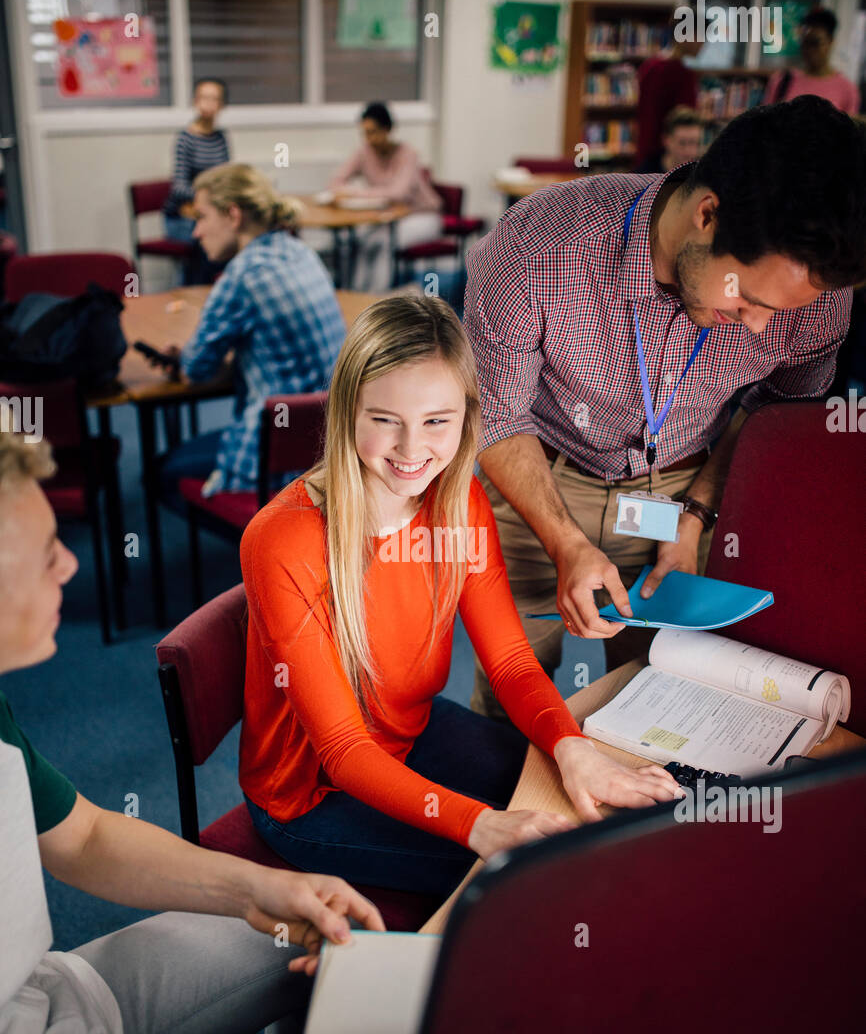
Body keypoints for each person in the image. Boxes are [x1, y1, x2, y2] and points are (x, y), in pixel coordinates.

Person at [0, 430, 387, 1034]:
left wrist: (262, 890)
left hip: (50, 1000)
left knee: (307, 928)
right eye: (47, 552)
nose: (71, 564)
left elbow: (83, 835)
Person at [239, 295, 682, 896]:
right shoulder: (282, 539)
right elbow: (343, 750)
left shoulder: (458, 501)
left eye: (436, 421)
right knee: (546, 879)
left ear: (467, 417)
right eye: (384, 419)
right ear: (346, 411)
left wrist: (571, 747)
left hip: (412, 733)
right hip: (311, 795)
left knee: (599, 815)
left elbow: (508, 661)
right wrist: (480, 827)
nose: (410, 448)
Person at [463, 95, 866, 723]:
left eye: (778, 313)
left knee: (662, 697)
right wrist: (566, 542)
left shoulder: (816, 297)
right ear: (709, 214)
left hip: (682, 495)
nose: (760, 330)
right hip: (537, 480)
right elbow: (497, 415)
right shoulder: (539, 245)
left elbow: (775, 416)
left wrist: (697, 516)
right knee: (510, 696)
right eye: (748, 301)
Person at [157, 163, 346, 504]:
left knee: (161, 472)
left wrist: (182, 359)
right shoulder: (300, 252)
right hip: (330, 451)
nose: (196, 232)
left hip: (273, 463)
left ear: (233, 215)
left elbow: (196, 369)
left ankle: (252, 544)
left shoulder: (240, 276)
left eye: (201, 217)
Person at [327, 102, 444, 290]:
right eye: (364, 133)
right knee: (359, 240)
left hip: (421, 215)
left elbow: (398, 193)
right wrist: (352, 192)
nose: (368, 138)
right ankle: (355, 296)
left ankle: (376, 301)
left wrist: (355, 193)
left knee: (383, 243)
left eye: (373, 132)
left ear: (388, 129)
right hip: (388, 218)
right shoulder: (364, 152)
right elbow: (335, 183)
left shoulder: (408, 154)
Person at [163, 78, 230, 283]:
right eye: (203, 98)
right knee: (208, 243)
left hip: (211, 212)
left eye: (214, 99)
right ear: (195, 101)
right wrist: (209, 197)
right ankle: (192, 294)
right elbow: (179, 188)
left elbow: (226, 178)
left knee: (232, 239)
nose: (208, 104)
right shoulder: (186, 138)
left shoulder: (220, 138)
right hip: (183, 217)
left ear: (222, 105)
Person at [763, 7, 859, 115]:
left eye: (815, 43)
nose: (809, 50)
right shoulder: (782, 81)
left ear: (831, 42)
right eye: (805, 43)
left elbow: (849, 130)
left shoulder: (847, 90)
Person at [635, 18, 702, 168]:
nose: (703, 43)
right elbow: (686, 121)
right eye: (701, 36)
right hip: (669, 160)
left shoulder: (649, 66)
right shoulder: (682, 73)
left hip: (647, 154)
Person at [637, 105, 703, 174]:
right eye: (682, 143)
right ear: (666, 140)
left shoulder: (703, 175)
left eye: (693, 142)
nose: (688, 151)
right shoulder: (645, 174)